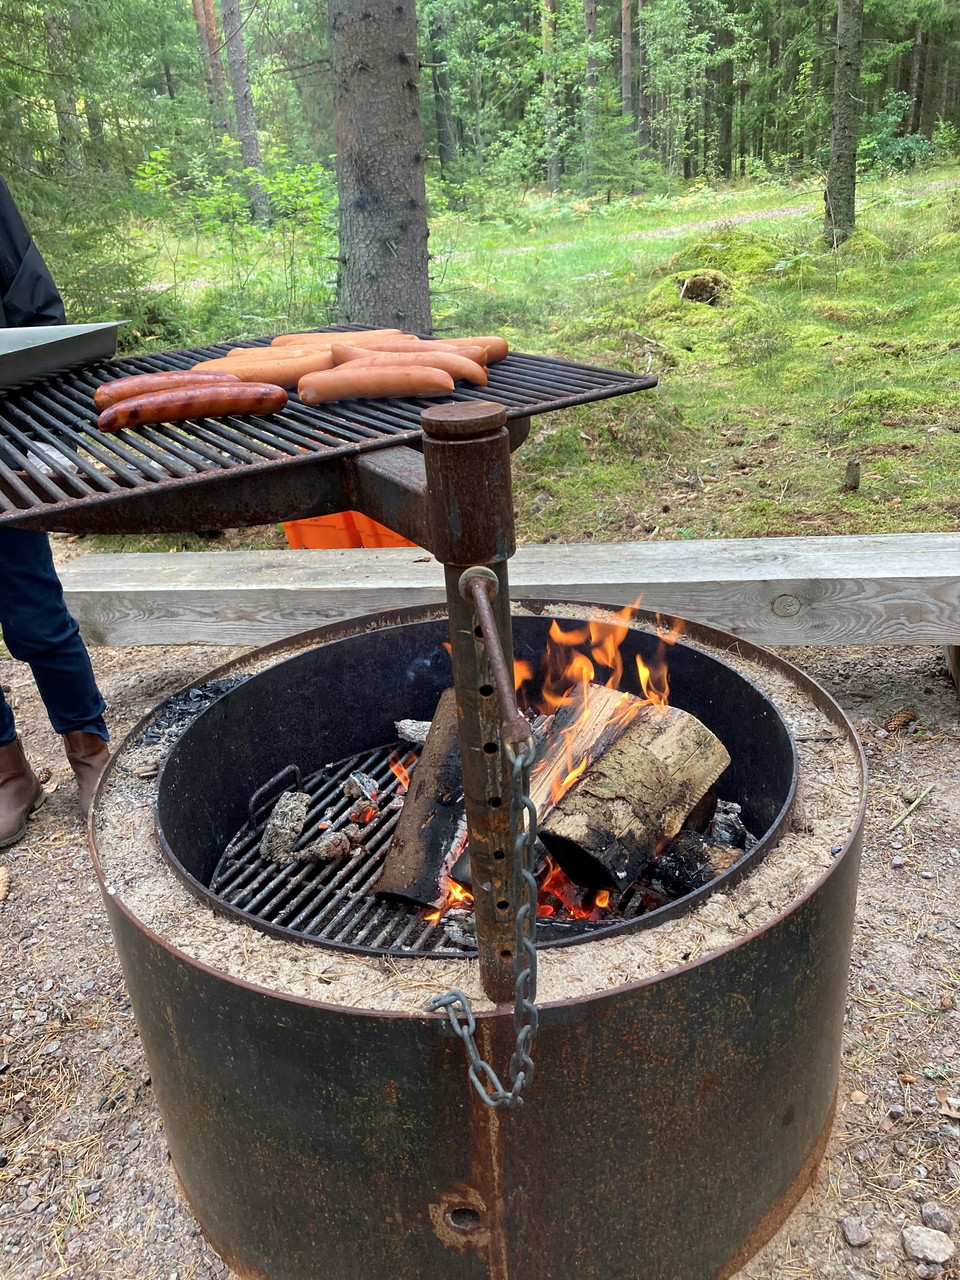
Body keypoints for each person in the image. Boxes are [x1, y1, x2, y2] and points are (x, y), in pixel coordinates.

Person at [0, 175, 110, 845]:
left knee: (36, 619)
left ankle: (90, 753)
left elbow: (36, 308)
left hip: (2, 447)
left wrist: (44, 449)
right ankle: (10, 775)